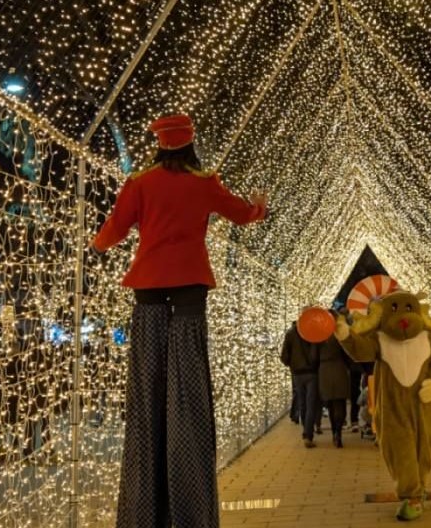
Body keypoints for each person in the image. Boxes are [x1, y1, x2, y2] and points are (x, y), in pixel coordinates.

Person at [90, 114, 267, 528]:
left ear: (158, 144)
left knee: (148, 385)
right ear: (190, 144)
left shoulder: (140, 182)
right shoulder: (204, 182)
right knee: (186, 386)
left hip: (148, 286)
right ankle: (189, 505)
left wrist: (96, 245)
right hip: (190, 286)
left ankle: (146, 508)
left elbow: (115, 227)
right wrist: (259, 208)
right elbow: (241, 214)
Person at [280, 317, 320, 448]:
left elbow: (284, 356)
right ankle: (308, 434)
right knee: (311, 403)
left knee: (302, 403)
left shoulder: (291, 333)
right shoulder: (313, 332)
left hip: (297, 374)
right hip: (312, 373)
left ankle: (305, 431)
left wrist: (292, 364)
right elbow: (316, 354)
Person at [317, 319, 350, 448]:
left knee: (330, 404)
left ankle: (334, 433)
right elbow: (348, 355)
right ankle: (339, 433)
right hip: (340, 370)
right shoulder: (339, 335)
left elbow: (314, 357)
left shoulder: (319, 338)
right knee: (340, 402)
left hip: (325, 371)